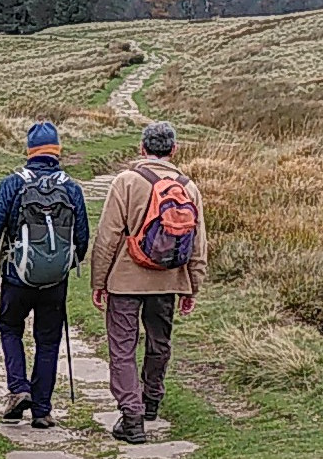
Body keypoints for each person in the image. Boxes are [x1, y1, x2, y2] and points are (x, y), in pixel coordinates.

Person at [88, 121, 207, 445]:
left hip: (126, 280)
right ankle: (152, 401)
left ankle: (132, 416)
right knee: (159, 342)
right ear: (174, 150)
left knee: (123, 349)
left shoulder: (126, 181)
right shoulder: (189, 186)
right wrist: (192, 284)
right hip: (169, 279)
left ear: (142, 148)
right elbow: (198, 242)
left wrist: (99, 281)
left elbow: (108, 236)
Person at [0, 121, 90, 429]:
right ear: (57, 150)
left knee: (10, 327)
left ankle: (18, 389)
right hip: (55, 282)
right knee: (48, 341)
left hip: (16, 276)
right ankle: (41, 410)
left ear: (29, 151)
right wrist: (62, 263)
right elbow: (82, 239)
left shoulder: (12, 184)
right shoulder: (71, 187)